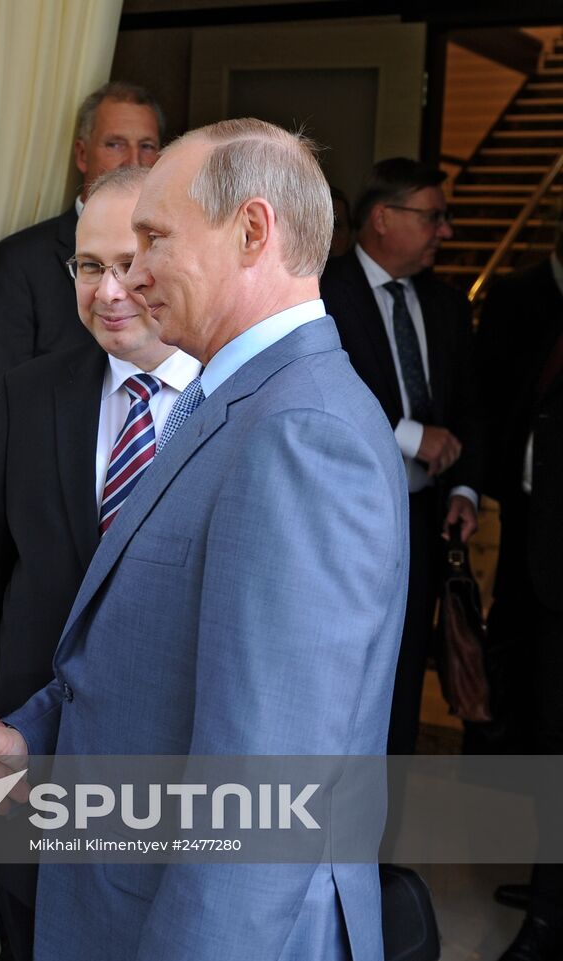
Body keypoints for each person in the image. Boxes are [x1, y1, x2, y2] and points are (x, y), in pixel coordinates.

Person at [0, 119, 409, 961]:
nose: (133, 275)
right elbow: (155, 660)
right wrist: (25, 736)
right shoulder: (238, 400)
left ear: (253, 232)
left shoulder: (302, 433)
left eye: (155, 239)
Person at [0, 164, 197, 961]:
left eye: (129, 264)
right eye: (88, 266)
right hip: (27, 775)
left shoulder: (236, 407)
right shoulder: (33, 390)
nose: (108, 291)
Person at [321, 157, 483, 756]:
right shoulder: (321, 291)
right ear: (383, 218)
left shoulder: (446, 305)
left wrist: (464, 490)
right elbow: (321, 395)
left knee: (405, 681)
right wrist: (412, 436)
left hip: (423, 523)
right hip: (343, 524)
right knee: (339, 683)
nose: (446, 231)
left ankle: (382, 816)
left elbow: (471, 407)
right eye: (433, 217)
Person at [0, 81, 165, 448]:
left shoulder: (178, 255)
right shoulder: (18, 261)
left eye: (147, 146)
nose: (133, 160)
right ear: (82, 154)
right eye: (115, 144)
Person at [473, 230, 563, 961]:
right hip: (539, 553)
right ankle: (546, 884)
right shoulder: (537, 307)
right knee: (541, 723)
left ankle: (549, 917)